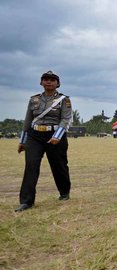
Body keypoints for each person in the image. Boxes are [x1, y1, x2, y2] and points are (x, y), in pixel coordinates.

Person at [15, 70, 73, 212]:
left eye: (52, 80)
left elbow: (66, 119)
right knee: (31, 165)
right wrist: (23, 141)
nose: (48, 81)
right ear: (41, 82)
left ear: (57, 84)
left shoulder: (64, 100)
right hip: (35, 136)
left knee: (59, 165)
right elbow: (28, 121)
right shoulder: (34, 99)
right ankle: (26, 201)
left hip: (55, 135)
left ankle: (64, 192)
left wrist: (57, 136)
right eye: (45, 79)